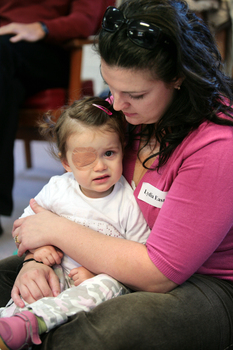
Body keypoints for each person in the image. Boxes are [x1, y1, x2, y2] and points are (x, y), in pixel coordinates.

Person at [0, 0, 233, 348]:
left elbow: (158, 273)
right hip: (112, 257)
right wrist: (37, 258)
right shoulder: (125, 112)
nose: (117, 105)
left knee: (93, 334)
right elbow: (46, 213)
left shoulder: (218, 147)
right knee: (12, 280)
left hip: (203, 282)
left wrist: (54, 230)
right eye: (111, 86)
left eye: (135, 94)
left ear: (179, 78)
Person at [0, 96, 150, 349]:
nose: (100, 166)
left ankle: (35, 321)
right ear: (66, 162)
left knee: (110, 285)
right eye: (85, 159)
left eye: (109, 153)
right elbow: (24, 224)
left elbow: (139, 256)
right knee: (32, 284)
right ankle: (11, 321)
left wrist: (98, 273)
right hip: (58, 269)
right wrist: (38, 250)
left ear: (123, 149)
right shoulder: (58, 188)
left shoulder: (128, 200)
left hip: (96, 282)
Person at [0, 0, 115, 234]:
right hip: (5, 59)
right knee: (7, 89)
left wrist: (41, 27)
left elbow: (85, 20)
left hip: (47, 52)